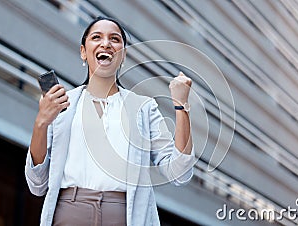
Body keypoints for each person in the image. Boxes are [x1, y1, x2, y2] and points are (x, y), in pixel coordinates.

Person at [25, 16, 195, 226]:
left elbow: (180, 173)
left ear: (122, 55)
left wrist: (181, 105)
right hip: (69, 213)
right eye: (97, 37)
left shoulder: (143, 107)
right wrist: (41, 121)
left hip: (125, 216)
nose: (106, 43)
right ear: (83, 52)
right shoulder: (62, 105)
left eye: (115, 39)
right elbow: (37, 183)